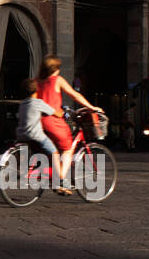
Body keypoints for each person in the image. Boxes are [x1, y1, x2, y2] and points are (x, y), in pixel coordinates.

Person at [35, 56, 100, 185]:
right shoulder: (57, 80)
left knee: (51, 146)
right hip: (52, 120)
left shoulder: (37, 81)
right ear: (56, 69)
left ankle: (51, 170)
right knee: (68, 147)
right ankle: (61, 179)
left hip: (37, 121)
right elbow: (75, 95)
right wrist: (91, 107)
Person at [16, 77, 69, 194]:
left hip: (21, 135)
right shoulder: (38, 103)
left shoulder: (22, 104)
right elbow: (56, 113)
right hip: (36, 135)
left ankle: (25, 168)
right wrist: (64, 112)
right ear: (37, 91)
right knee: (54, 152)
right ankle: (60, 180)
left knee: (33, 152)